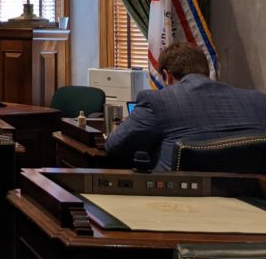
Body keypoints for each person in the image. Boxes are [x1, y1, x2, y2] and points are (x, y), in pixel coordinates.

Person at [105, 43, 266, 170]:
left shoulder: (158, 102)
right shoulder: (258, 101)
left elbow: (115, 146)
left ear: (167, 76)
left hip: (172, 203)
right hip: (252, 205)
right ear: (206, 71)